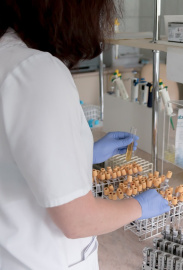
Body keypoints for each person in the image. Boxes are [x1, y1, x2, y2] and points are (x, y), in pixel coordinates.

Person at [0, 1, 170, 269]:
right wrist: (138, 206)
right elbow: (78, 220)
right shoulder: (36, 71)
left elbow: (15, 159)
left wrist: (86, 152)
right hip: (42, 258)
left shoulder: (6, 57)